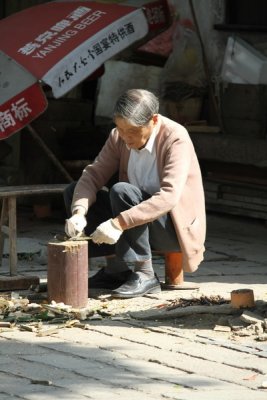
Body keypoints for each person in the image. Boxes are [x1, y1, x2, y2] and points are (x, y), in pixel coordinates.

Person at [64, 89, 206, 299]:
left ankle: (145, 273)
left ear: (154, 120)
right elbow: (93, 175)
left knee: (122, 191)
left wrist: (118, 223)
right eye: (120, 129)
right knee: (75, 190)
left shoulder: (176, 138)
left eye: (131, 131)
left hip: (172, 228)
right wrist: (78, 212)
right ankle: (116, 271)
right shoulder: (119, 137)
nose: (125, 137)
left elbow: (168, 196)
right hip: (135, 219)